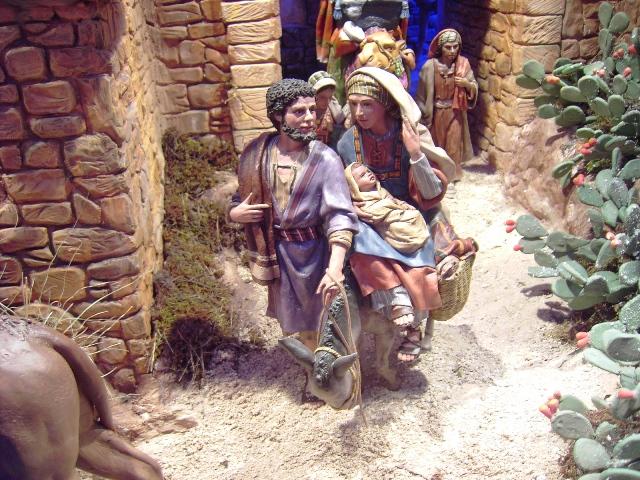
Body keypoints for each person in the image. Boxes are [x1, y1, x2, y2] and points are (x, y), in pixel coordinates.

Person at [337, 66, 474, 362]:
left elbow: (430, 192)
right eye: (354, 104)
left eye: (367, 104)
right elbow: (349, 188)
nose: (359, 112)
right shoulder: (348, 142)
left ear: (384, 103)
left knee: (428, 248)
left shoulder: (409, 133)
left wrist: (415, 153)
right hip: (372, 215)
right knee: (359, 242)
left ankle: (416, 325)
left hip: (416, 210)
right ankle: (395, 300)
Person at [228, 79, 359, 354]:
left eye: (312, 110)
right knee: (291, 322)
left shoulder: (326, 159)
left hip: (315, 256)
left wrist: (335, 268)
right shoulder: (257, 155)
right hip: (279, 255)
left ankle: (326, 368)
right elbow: (242, 195)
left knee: (323, 322)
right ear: (278, 115)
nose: (310, 118)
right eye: (299, 111)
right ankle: (308, 363)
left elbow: (340, 216)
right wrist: (235, 212)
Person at [416, 28, 478, 184]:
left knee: (453, 144)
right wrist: (422, 116)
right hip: (435, 113)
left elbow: (474, 87)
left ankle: (452, 176)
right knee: (437, 145)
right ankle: (437, 175)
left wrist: (467, 84)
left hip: (455, 112)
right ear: (440, 48)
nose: (452, 51)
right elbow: (421, 96)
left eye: (455, 47)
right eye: (448, 47)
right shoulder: (430, 66)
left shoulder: (463, 66)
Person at [344, 162, 428, 255]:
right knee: (399, 228)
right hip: (387, 224)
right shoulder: (362, 200)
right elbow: (372, 215)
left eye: (368, 171)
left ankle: (420, 239)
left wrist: (403, 204)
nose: (369, 174)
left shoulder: (382, 190)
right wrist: (388, 204)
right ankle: (410, 243)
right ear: (354, 185)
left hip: (399, 214)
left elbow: (394, 200)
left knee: (416, 214)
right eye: (363, 175)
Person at [308, 71, 346, 149]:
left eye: (330, 97)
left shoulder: (335, 114)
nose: (327, 101)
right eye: (322, 97)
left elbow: (339, 142)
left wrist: (333, 129)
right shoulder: (306, 113)